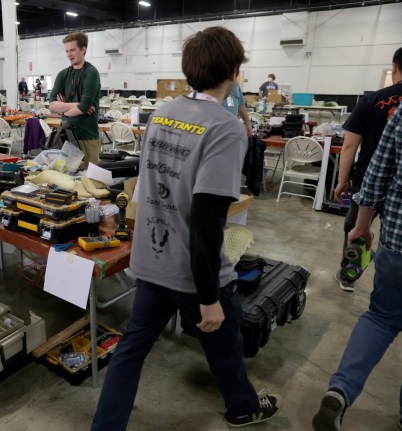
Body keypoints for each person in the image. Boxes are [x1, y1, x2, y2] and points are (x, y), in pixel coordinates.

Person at [90, 26, 281, 430]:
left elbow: (148, 186)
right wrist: (208, 296)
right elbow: (208, 220)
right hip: (193, 273)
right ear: (233, 72)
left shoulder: (163, 111)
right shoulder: (226, 128)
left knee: (130, 353)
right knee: (226, 346)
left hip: (151, 261)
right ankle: (243, 409)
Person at [312, 99, 402, 431]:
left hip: (398, 239)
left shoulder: (399, 108)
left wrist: (361, 224)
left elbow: (377, 171)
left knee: (381, 318)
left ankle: (339, 391)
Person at [332, 46, 402, 292]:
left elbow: (350, 144)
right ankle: (392, 284)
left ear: (394, 67)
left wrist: (342, 179)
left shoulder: (371, 100)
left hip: (368, 181)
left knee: (358, 229)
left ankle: (349, 275)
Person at [49, 31, 101, 165]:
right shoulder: (63, 74)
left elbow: (84, 107)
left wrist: (64, 108)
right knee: (68, 178)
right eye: (66, 51)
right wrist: (77, 105)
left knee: (89, 179)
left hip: (87, 136)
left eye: (72, 50)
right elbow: (52, 105)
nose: (69, 55)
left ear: (83, 49)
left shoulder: (91, 72)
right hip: (66, 135)